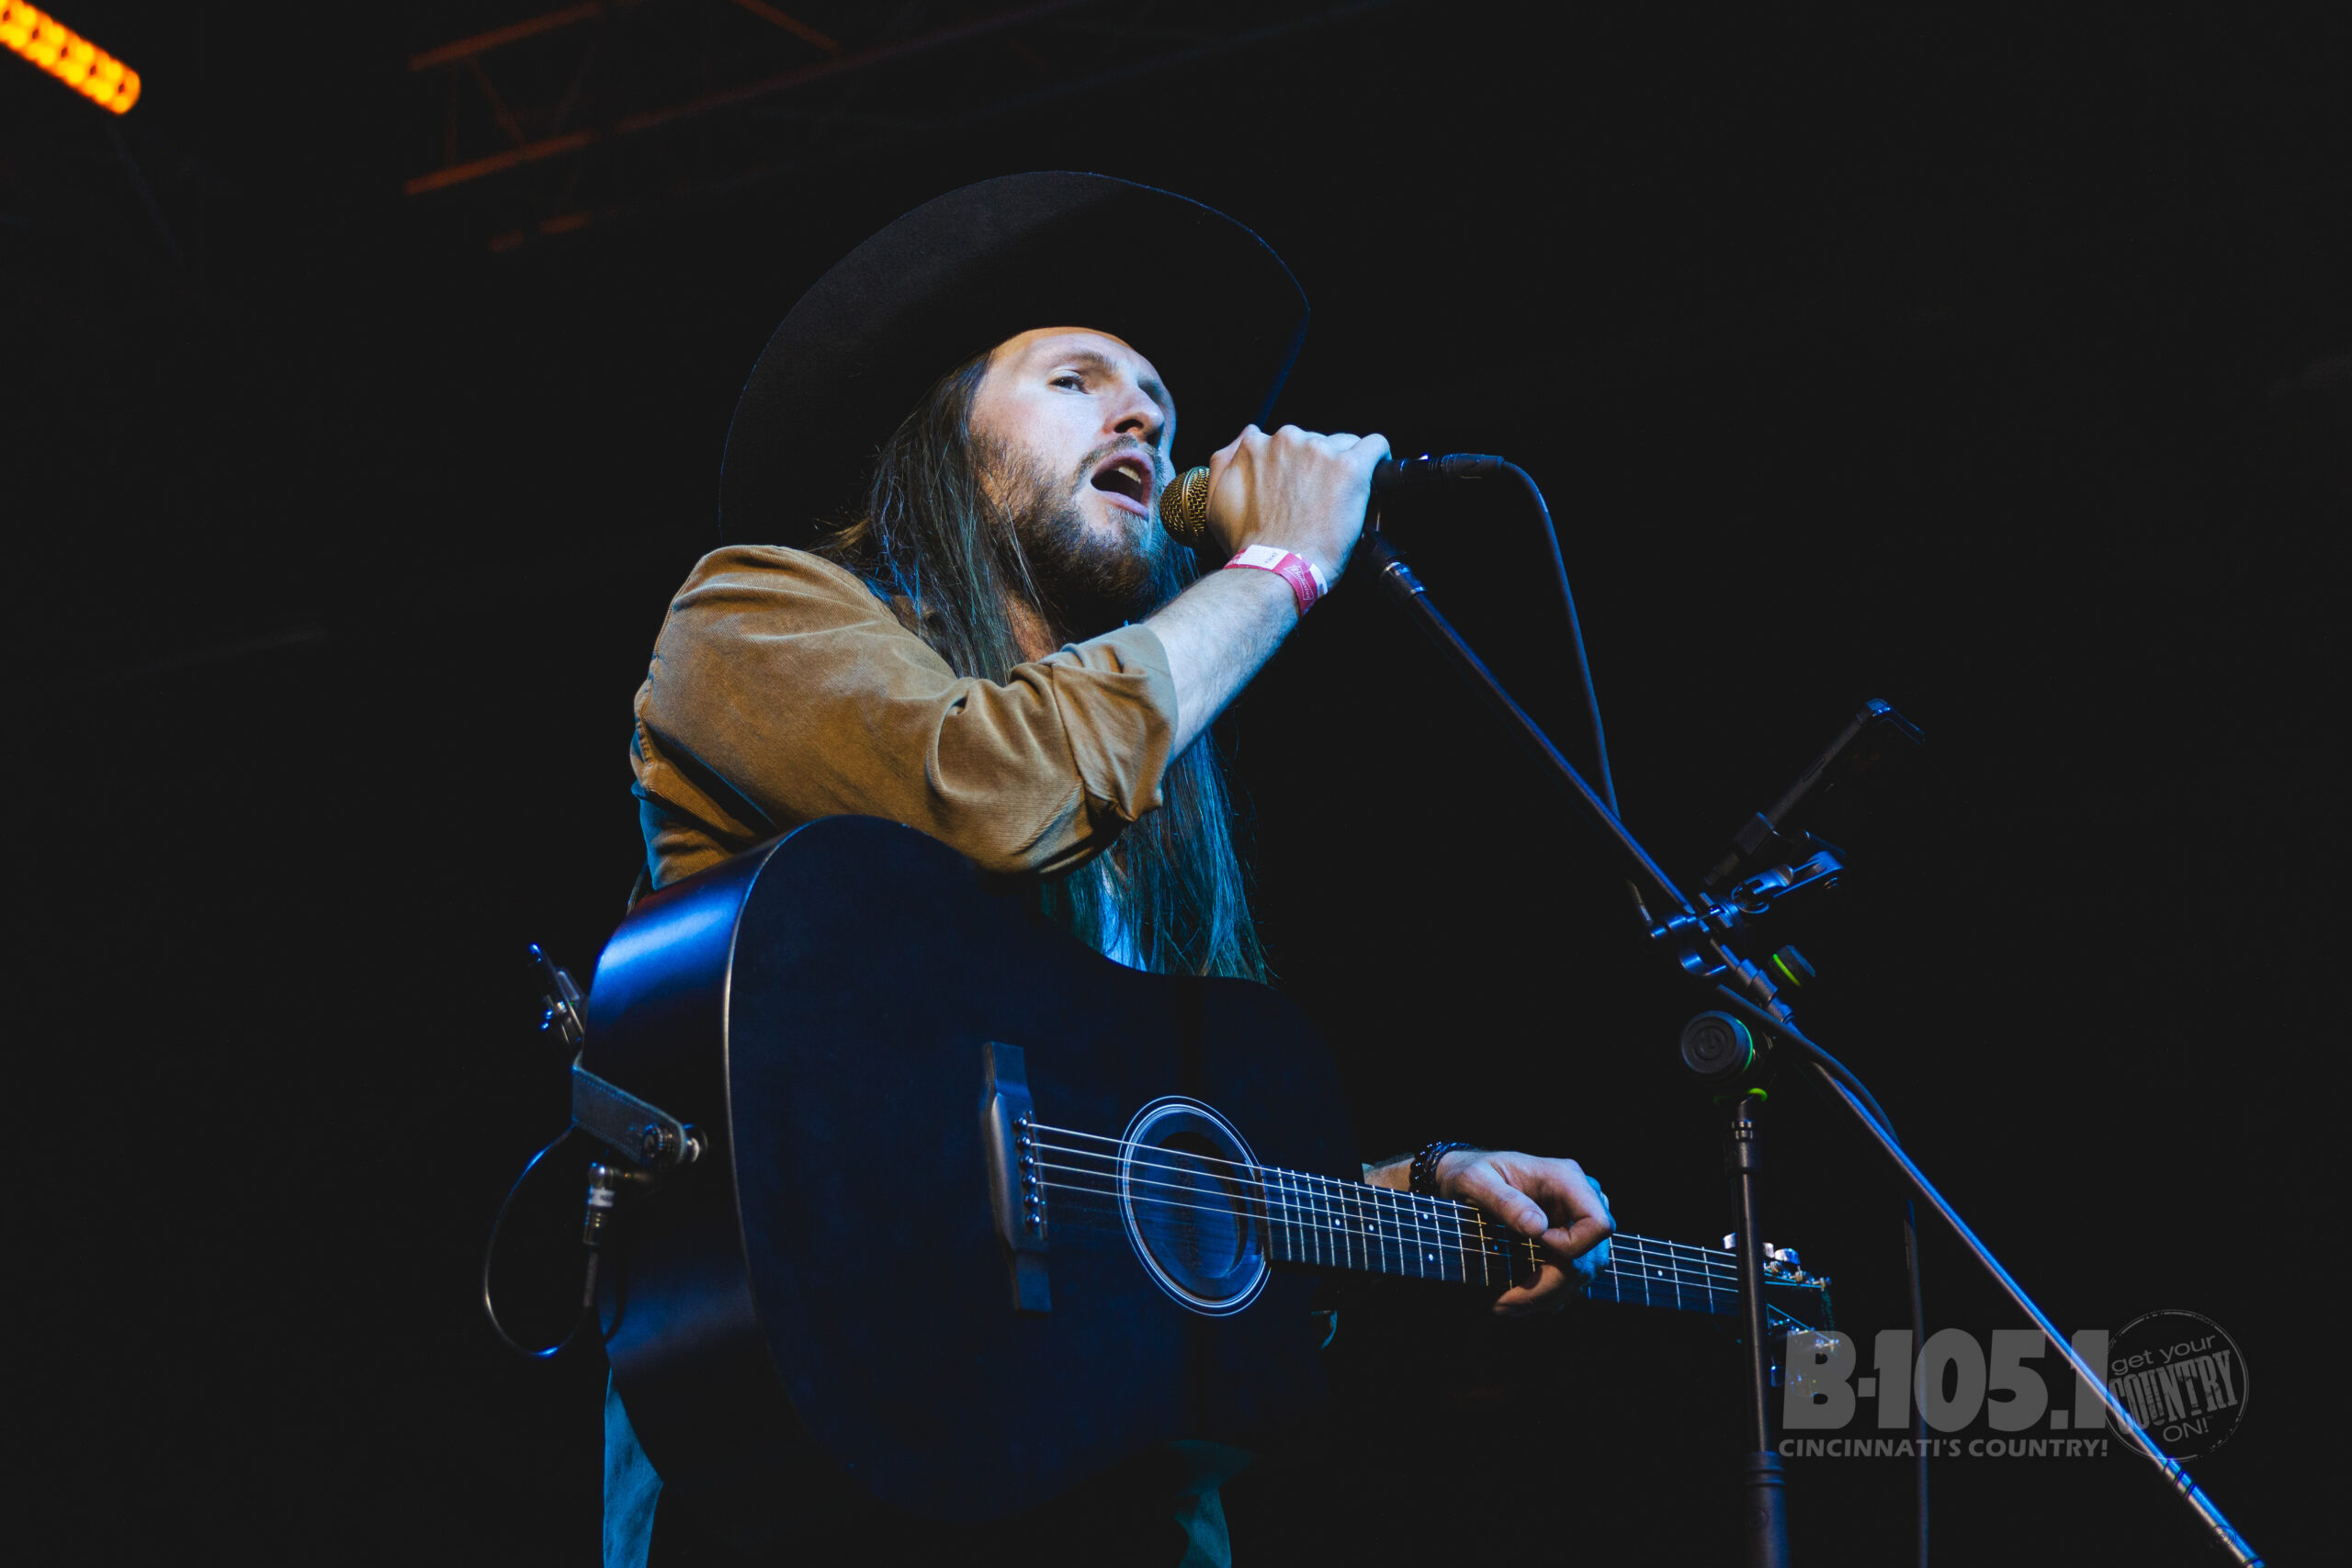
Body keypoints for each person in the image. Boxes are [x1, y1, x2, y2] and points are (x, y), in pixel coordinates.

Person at [607, 173, 1613, 1567]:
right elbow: (988, 790)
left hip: (1107, 1493)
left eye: (1158, 405)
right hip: (826, 1464)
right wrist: (1279, 569)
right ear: (942, 439)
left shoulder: (1157, 790)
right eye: (1077, 382)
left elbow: (1117, 1170)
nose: (1141, 417)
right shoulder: (755, 611)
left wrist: (1405, 1196)